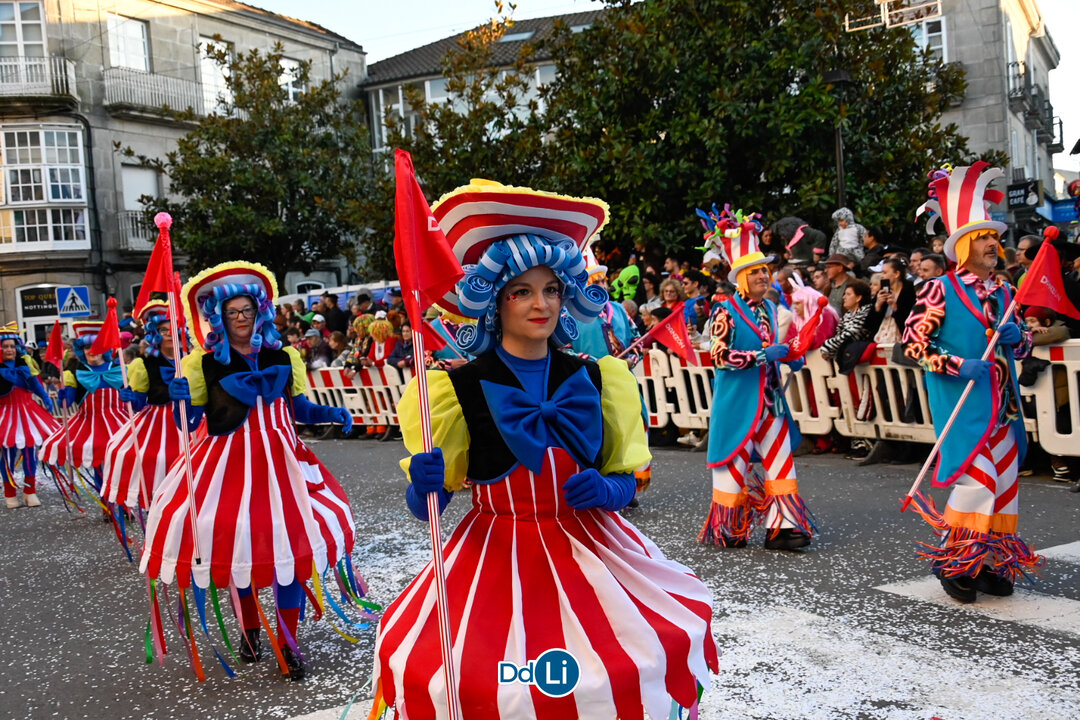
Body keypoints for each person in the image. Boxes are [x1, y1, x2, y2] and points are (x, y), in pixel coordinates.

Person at [372, 181, 719, 718]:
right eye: (522, 291)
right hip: (492, 558)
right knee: (486, 683)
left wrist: (609, 488)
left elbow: (627, 481)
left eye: (552, 289)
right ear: (495, 301)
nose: (541, 304)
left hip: (593, 553)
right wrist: (423, 488)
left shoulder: (599, 378)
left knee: (626, 663)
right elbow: (430, 511)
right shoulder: (453, 390)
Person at [141, 261, 359, 680]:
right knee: (242, 549)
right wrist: (180, 401)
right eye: (232, 313)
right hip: (229, 466)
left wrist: (329, 411)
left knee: (290, 553)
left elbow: (299, 409)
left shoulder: (284, 355)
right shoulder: (201, 364)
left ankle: (288, 643)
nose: (241, 320)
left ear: (260, 312)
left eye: (247, 311)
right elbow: (188, 426)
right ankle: (250, 631)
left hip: (282, 464)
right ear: (220, 318)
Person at [905, 162, 1039, 603]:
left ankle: (988, 561)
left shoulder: (1005, 292)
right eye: (983, 237)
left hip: (1003, 410)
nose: (992, 244)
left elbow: (1021, 348)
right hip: (962, 406)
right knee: (976, 484)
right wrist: (956, 364)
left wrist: (1021, 339)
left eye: (995, 238)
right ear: (962, 245)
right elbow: (912, 344)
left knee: (1004, 487)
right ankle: (955, 561)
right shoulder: (937, 289)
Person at [701, 206, 815, 550]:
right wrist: (763, 356)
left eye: (766, 271)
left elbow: (777, 346)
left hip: (770, 400)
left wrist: (791, 357)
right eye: (757, 272)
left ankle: (783, 527)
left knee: (781, 461)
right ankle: (729, 526)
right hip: (737, 401)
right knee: (732, 460)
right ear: (741, 279)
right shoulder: (724, 310)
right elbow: (718, 356)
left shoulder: (769, 307)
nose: (765, 276)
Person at [101, 301, 196, 512]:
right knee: (153, 459)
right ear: (155, 333)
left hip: (192, 422)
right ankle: (158, 511)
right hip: (157, 423)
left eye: (175, 328)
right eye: (164, 329)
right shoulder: (143, 364)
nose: (171, 333)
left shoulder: (195, 361)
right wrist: (129, 397)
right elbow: (138, 405)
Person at [39, 321, 129, 493]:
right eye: (87, 347)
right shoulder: (76, 372)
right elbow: (67, 403)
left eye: (96, 346)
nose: (92, 351)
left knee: (122, 463)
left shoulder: (119, 369)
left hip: (120, 424)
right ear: (82, 350)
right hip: (91, 425)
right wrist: (63, 397)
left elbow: (134, 401)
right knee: (99, 465)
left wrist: (132, 397)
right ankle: (108, 505)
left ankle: (123, 503)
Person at [0, 322, 58, 508]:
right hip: (5, 413)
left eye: (12, 346)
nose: (9, 350)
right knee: (8, 454)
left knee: (29, 451)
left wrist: (46, 399)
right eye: (5, 346)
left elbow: (35, 385)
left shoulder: (25, 365)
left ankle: (29, 491)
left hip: (27, 412)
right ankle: (10, 494)